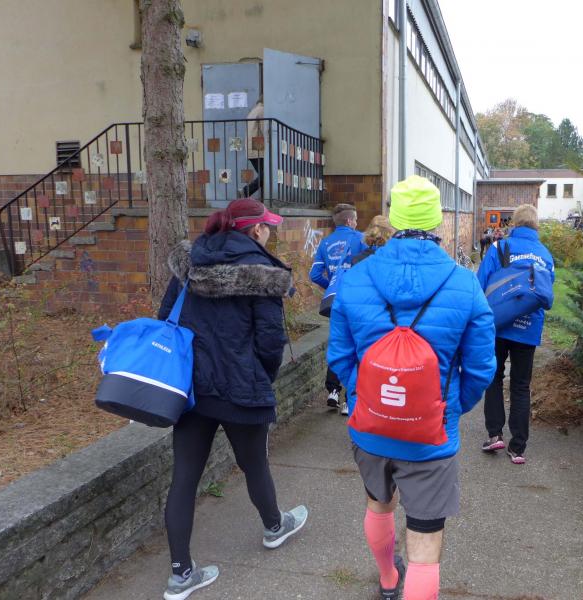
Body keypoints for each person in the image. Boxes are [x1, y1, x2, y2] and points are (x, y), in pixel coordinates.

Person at [328, 175, 496, 600]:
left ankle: (388, 580)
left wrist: (366, 396)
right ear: (437, 219)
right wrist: (448, 406)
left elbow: (340, 357)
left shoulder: (355, 279)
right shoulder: (464, 283)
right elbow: (481, 369)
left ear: (394, 217)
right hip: (430, 436)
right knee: (424, 543)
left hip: (371, 428)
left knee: (378, 504)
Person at [158, 198, 308, 600]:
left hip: (191, 390)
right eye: (267, 226)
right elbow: (271, 341)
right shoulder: (263, 274)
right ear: (256, 230)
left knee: (184, 477)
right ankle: (274, 526)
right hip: (241, 388)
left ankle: (180, 574)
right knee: (254, 464)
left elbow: (166, 317)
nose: (270, 232)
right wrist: (260, 378)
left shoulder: (190, 262)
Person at [476, 204, 555, 464]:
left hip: (498, 324)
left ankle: (494, 434)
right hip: (528, 327)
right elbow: (546, 292)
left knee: (494, 378)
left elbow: (480, 284)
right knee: (521, 385)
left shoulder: (500, 248)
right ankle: (518, 447)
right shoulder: (545, 255)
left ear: (515, 224)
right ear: (536, 225)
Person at [309, 203, 368, 414]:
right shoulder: (362, 239)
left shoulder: (325, 242)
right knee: (357, 346)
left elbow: (314, 275)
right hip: (358, 299)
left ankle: (333, 390)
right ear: (350, 221)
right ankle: (348, 400)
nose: (357, 223)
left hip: (335, 301)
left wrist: (331, 286)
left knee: (338, 344)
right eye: (356, 219)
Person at [243, 97, 266, 198]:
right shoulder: (262, 110)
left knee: (263, 176)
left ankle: (262, 198)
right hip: (258, 149)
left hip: (251, 149)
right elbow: (264, 130)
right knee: (266, 176)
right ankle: (245, 191)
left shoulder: (253, 111)